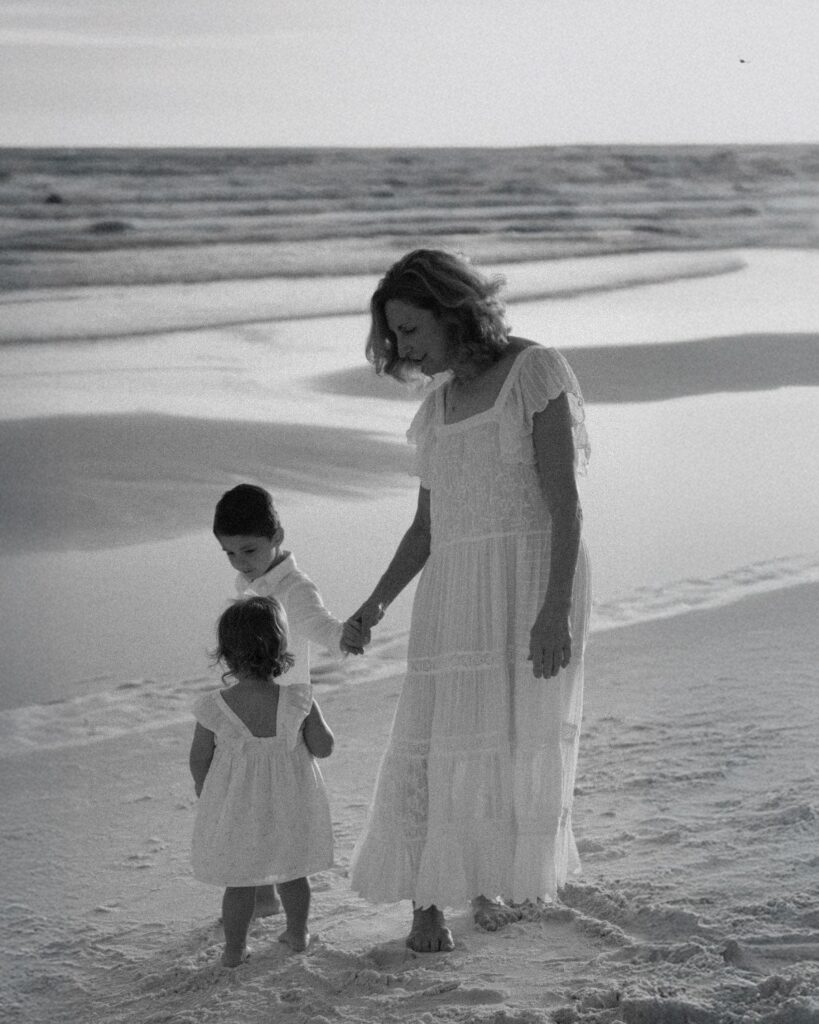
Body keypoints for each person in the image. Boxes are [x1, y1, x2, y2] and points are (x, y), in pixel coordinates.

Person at [346, 249, 592, 953]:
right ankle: (425, 902)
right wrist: (374, 605)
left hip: (533, 580)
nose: (403, 349)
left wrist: (552, 610)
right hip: (456, 591)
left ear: (453, 311)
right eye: (394, 337)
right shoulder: (436, 409)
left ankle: (482, 879)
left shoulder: (534, 371)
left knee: (504, 742)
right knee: (434, 741)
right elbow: (426, 529)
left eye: (411, 330)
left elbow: (564, 506)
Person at [212, 483, 362, 916]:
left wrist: (343, 637)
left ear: (276, 537)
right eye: (230, 554)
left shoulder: (292, 586)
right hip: (252, 708)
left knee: (280, 803)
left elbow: (319, 624)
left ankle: (277, 893)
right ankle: (262, 893)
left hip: (285, 715)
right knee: (252, 801)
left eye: (249, 550)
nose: (241, 562)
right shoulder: (251, 581)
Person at [189, 595, 335, 966]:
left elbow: (199, 757)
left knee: (240, 881)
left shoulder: (214, 706)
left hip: (237, 805)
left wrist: (205, 792)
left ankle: (234, 949)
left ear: (225, 654)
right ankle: (298, 932)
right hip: (291, 803)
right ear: (281, 648)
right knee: (292, 871)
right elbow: (323, 747)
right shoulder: (300, 698)